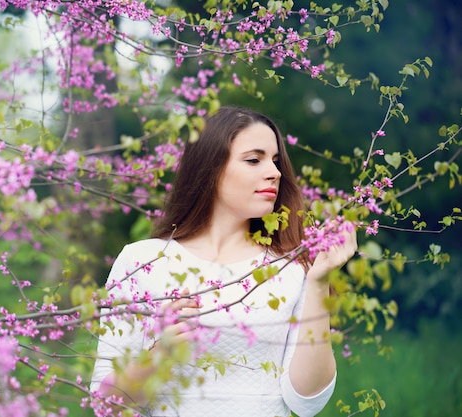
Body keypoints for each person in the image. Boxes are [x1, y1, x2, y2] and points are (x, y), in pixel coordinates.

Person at [90, 106, 357, 417]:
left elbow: (307, 401)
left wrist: (319, 281)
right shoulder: (143, 261)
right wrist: (158, 356)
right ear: (211, 167)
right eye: (254, 160)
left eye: (275, 160)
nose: (274, 172)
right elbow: (104, 406)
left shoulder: (292, 269)